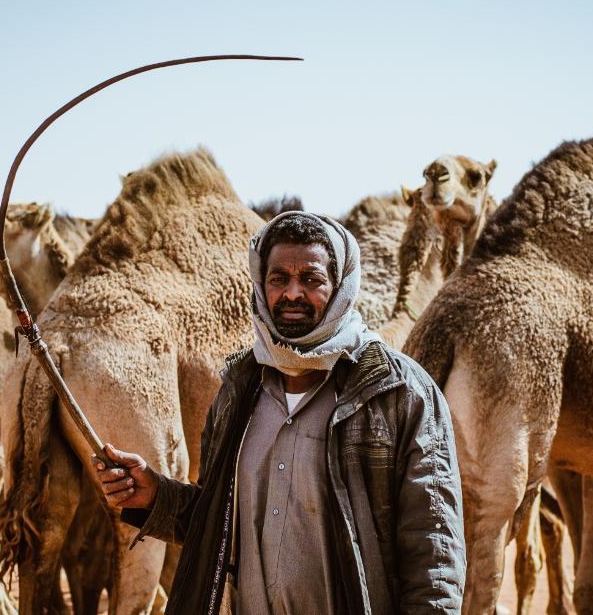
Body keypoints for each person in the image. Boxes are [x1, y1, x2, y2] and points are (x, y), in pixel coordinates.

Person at [93, 212, 465, 614]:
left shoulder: (399, 392)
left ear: (339, 286)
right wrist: (155, 495)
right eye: (278, 279)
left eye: (311, 279)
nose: (292, 294)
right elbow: (221, 522)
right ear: (261, 284)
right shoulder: (239, 390)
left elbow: (434, 548)